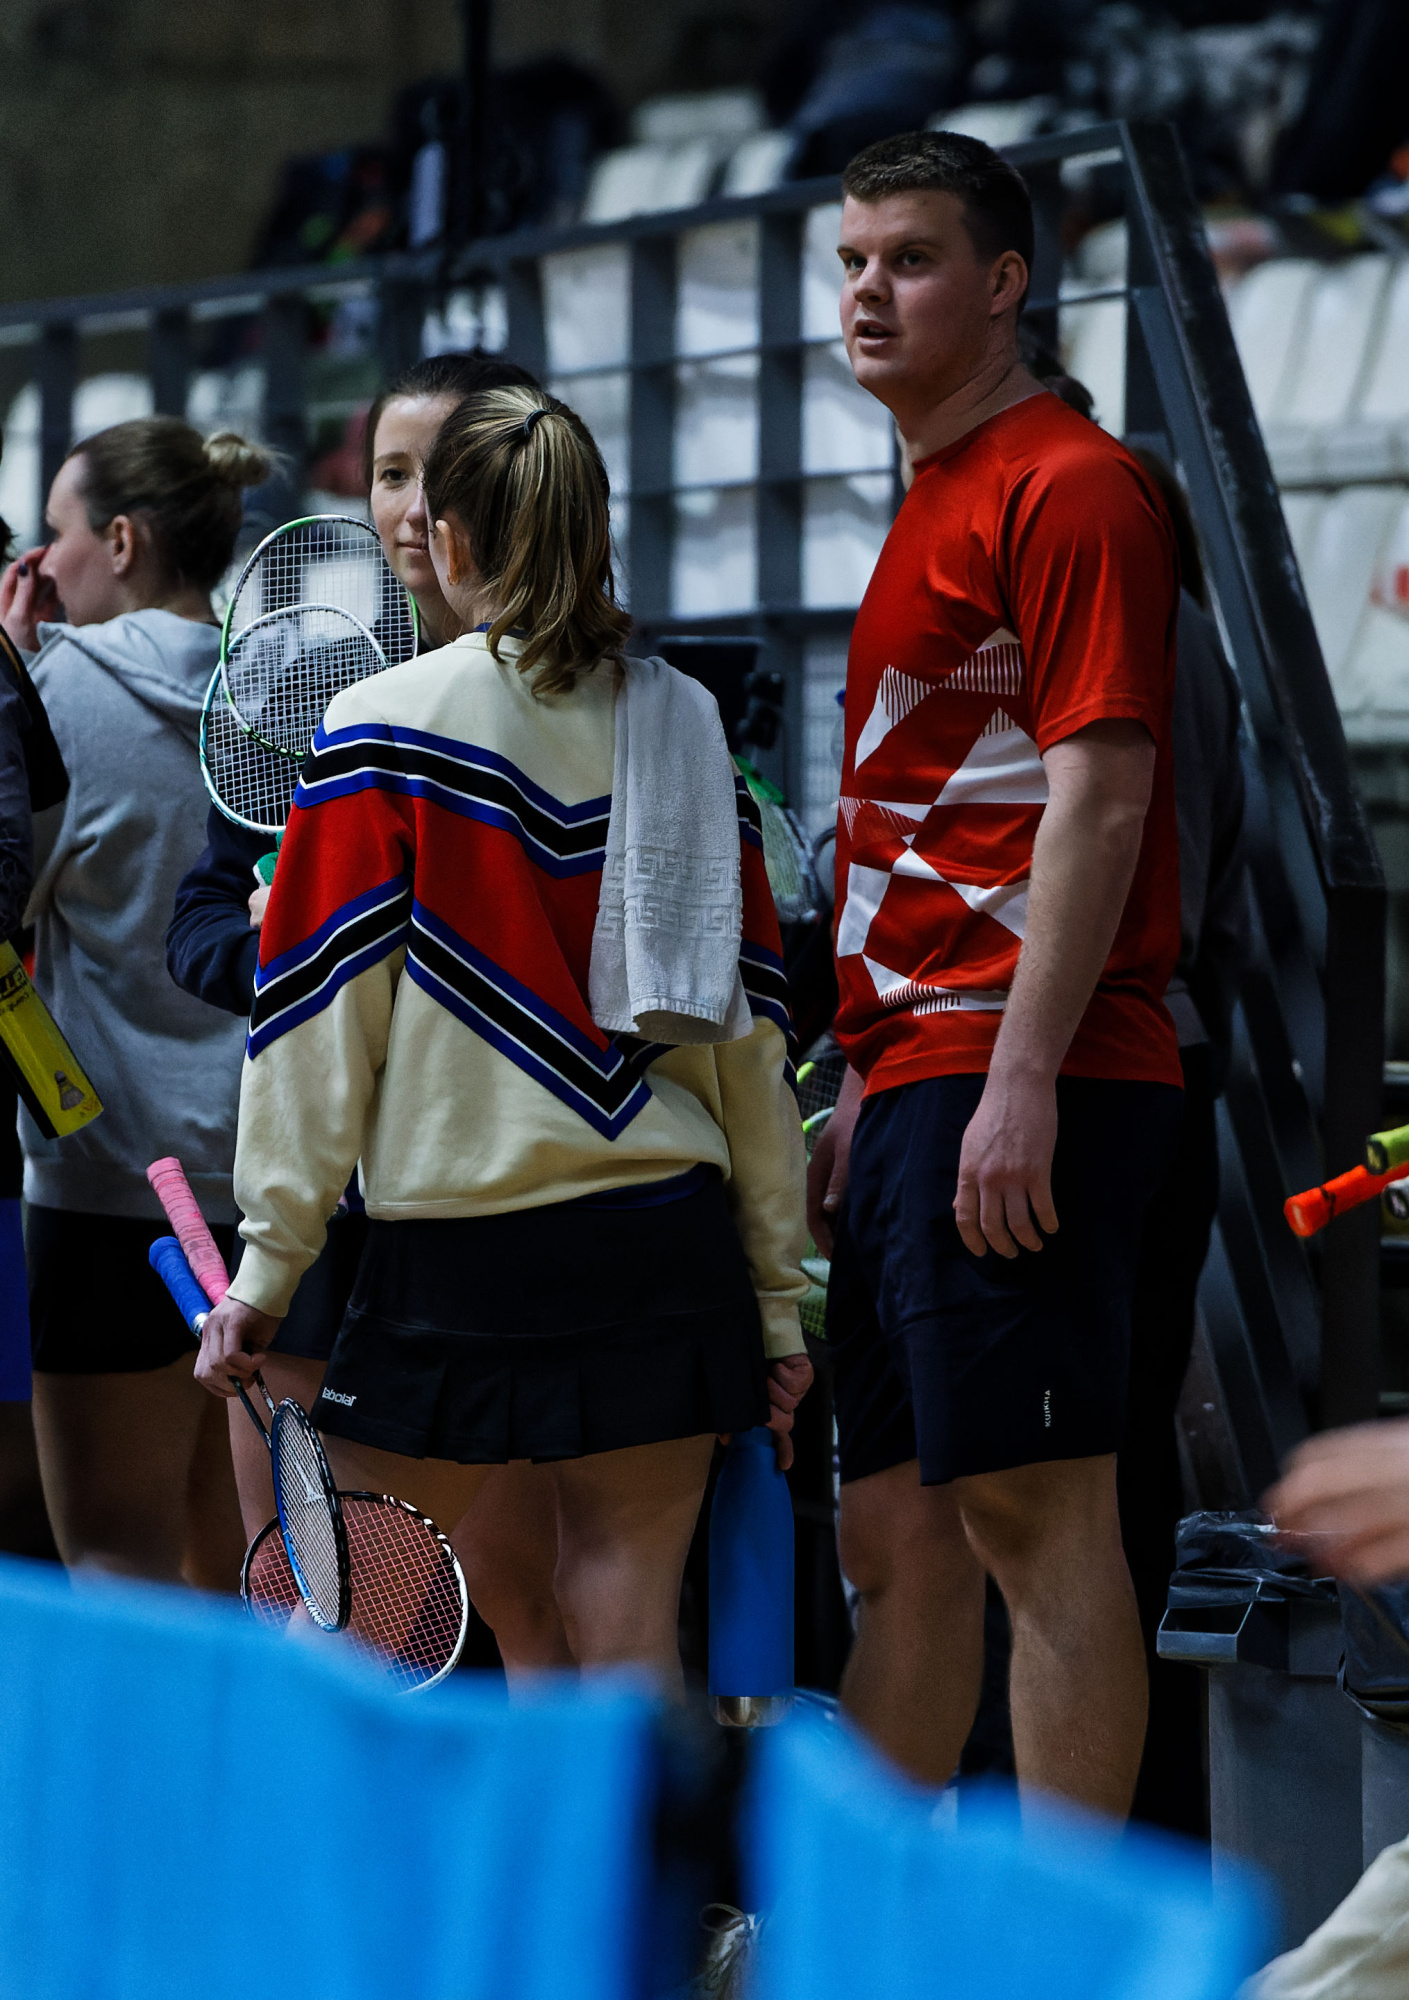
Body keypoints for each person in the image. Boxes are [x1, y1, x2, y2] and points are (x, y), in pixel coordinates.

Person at [193, 383, 812, 1685]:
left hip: (456, 1259)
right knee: (625, 1637)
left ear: (451, 536)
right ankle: (622, 1841)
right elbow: (750, 1043)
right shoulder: (687, 727)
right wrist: (774, 1305)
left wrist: (265, 1266)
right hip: (666, 1248)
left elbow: (311, 1023)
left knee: (345, 1624)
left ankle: (343, 1841)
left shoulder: (376, 728)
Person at [805, 130, 1183, 1814]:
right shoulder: (934, 494)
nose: (867, 293)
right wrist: (863, 1076)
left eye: (910, 259)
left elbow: (1102, 794)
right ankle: (883, 1927)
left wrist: (1017, 1075)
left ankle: (1069, 1931)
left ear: (1005, 282)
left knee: (1041, 1521)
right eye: (850, 262)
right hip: (916, 1073)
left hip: (1025, 1068)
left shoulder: (1068, 484)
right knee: (895, 1534)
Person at [166, 350, 573, 1672]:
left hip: (497, 1213)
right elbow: (200, 926)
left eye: (438, 472)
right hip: (321, 1214)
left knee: (523, 1591)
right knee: (311, 1595)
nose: (412, 505)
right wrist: (294, 944)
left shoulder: (589, 696)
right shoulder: (308, 694)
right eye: (390, 473)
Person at [0, 416, 270, 1587]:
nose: (39, 562)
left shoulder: (56, 690)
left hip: (108, 1189)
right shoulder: (279, 692)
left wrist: (9, 689)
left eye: (53, 532)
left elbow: (7, 893)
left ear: (120, 540)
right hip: (270, 1194)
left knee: (116, 1568)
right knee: (244, 1579)